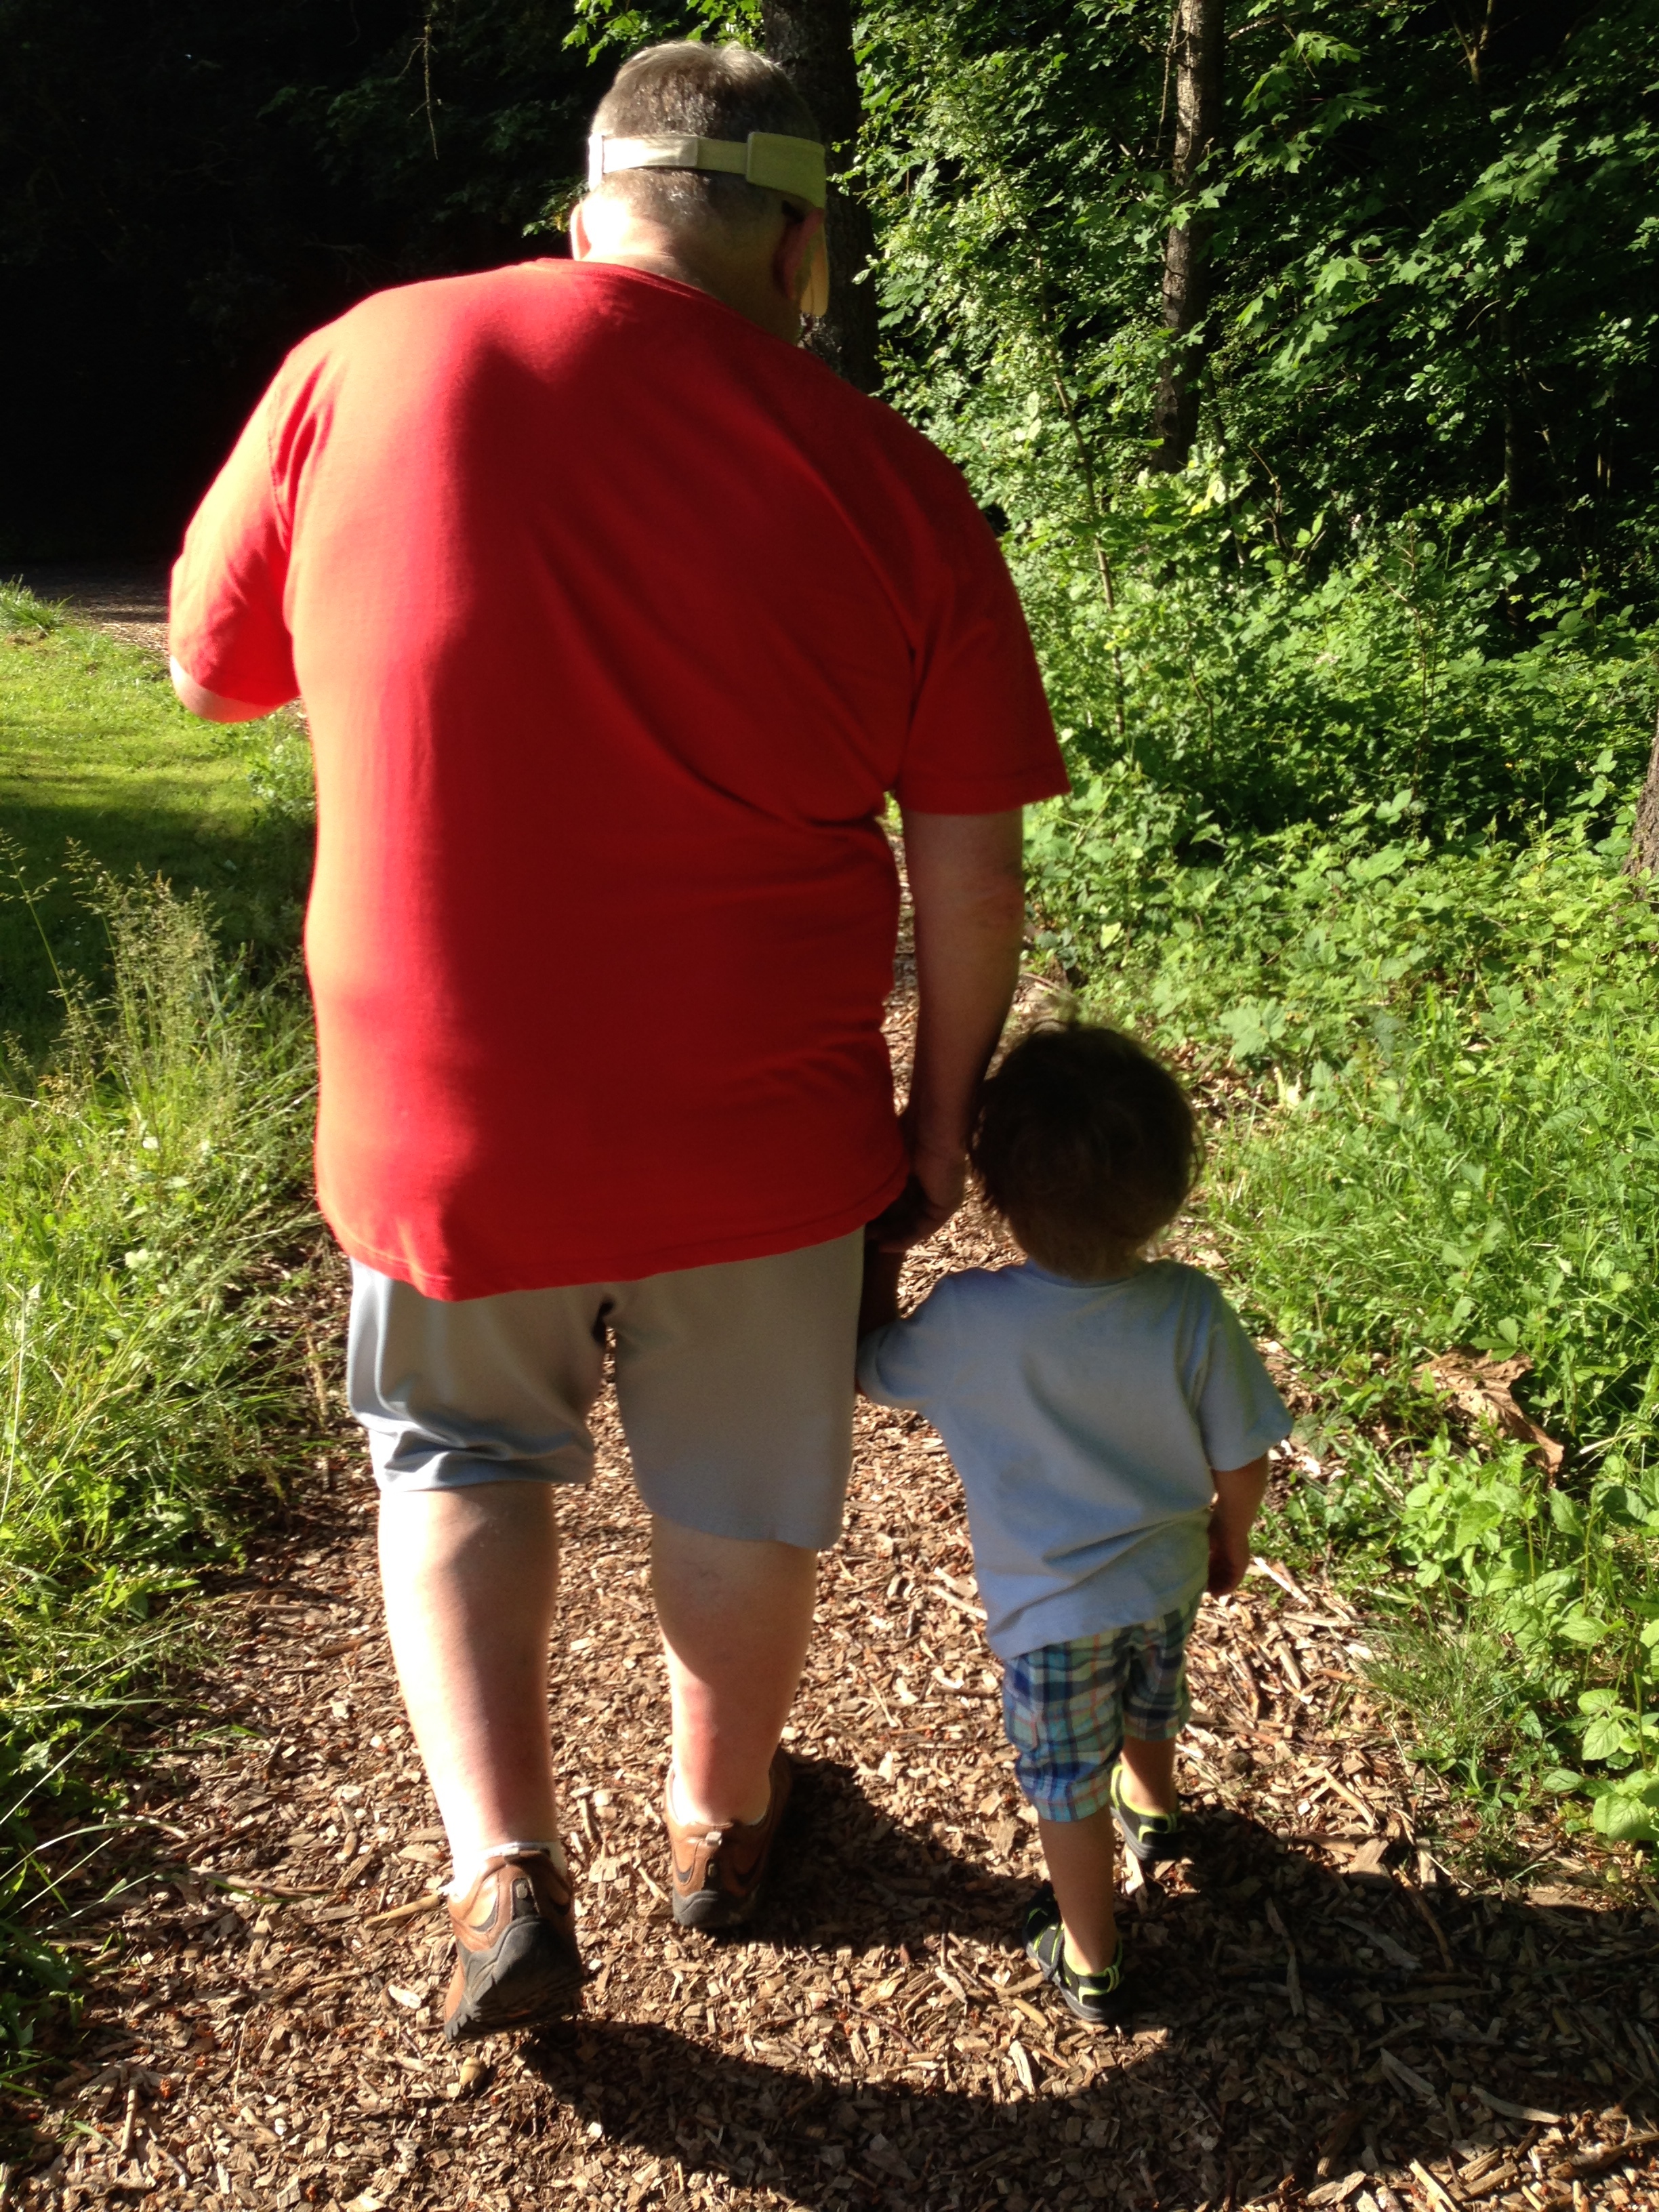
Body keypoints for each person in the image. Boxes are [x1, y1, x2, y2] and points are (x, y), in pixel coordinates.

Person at [167, 39, 1067, 2042]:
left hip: (439, 1111)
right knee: (742, 1481)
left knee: (464, 1453)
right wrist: (935, 1129)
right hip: (762, 1117)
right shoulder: (897, 478)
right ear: (799, 241)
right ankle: (717, 1825)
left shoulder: (369, 357)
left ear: (595, 202)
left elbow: (214, 666)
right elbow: (970, 875)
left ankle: (505, 1874)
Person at [857, 1023, 1290, 2024]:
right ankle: (1160, 1809)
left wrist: (882, 1249)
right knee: (1153, 1691)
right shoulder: (1190, 1306)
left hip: (1051, 1613)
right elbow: (1243, 1453)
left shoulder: (969, 1318)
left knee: (1063, 1781)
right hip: (1169, 1572)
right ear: (1171, 1186)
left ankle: (1091, 1955)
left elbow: (870, 1365)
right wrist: (1233, 1535)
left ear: (998, 1192)